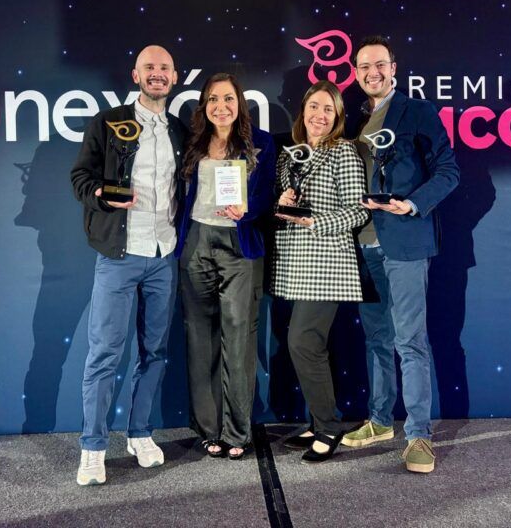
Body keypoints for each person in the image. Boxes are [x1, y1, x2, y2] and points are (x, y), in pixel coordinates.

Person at [341, 35, 459, 473]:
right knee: (377, 338)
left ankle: (418, 435)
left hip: (406, 241)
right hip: (364, 242)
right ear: (356, 72)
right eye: (364, 66)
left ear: (394, 68)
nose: (372, 72)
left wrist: (411, 204)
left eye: (380, 65)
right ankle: (378, 420)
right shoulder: (354, 119)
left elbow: (449, 171)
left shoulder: (418, 111)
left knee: (410, 341)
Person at [71, 45, 187, 485]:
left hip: (163, 256)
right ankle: (93, 446)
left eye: (164, 68)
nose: (157, 74)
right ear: (135, 74)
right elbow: (80, 178)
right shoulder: (107, 122)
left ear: (174, 76)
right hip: (118, 256)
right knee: (105, 353)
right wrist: (101, 195)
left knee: (154, 352)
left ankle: (140, 434)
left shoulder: (180, 131)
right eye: (149, 67)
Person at [175, 73, 276, 460]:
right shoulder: (193, 143)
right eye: (214, 99)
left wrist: (249, 208)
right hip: (196, 242)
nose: (221, 106)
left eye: (229, 98)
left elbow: (267, 195)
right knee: (200, 337)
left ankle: (237, 431)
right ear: (204, 106)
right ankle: (208, 428)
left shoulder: (261, 143)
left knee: (238, 338)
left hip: (239, 245)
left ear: (240, 103)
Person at [271, 80, 369, 464]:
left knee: (302, 342)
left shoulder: (343, 151)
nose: (320, 115)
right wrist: (281, 201)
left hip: (328, 264)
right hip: (294, 265)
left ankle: (328, 426)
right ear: (303, 111)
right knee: (307, 345)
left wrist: (315, 222)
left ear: (337, 116)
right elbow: (281, 208)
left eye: (328, 109)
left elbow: (358, 211)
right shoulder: (290, 156)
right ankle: (317, 422)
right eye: (314, 106)